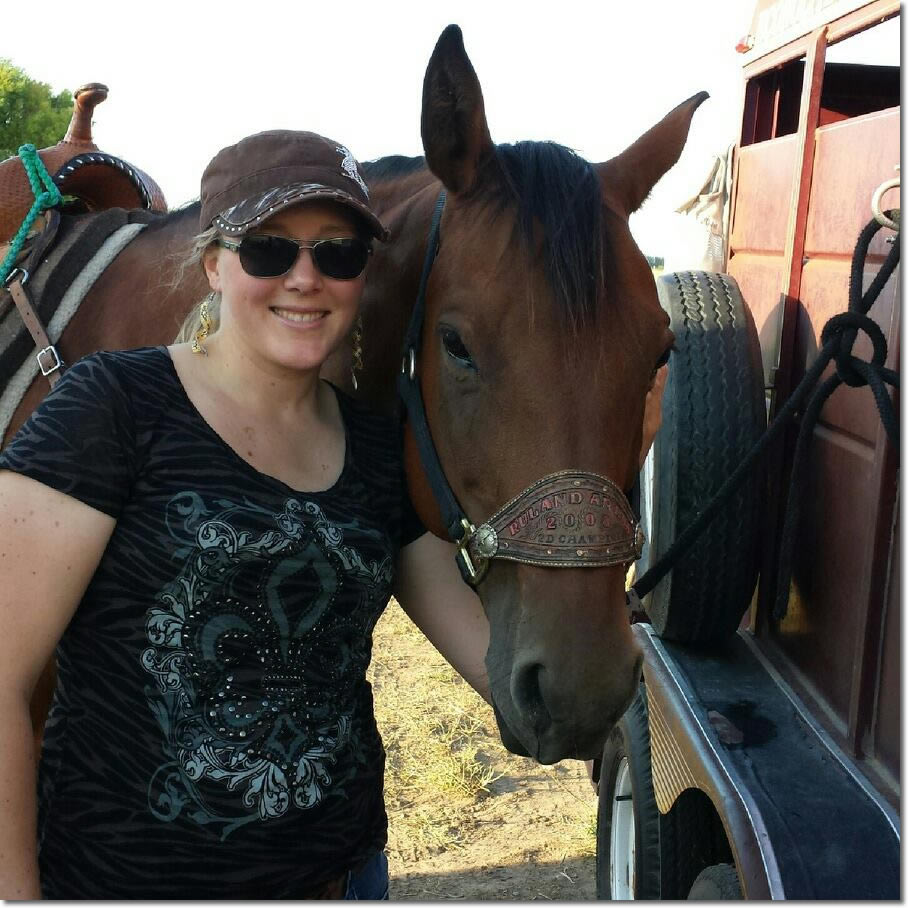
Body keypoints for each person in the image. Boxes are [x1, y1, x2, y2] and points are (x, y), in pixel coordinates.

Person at [0, 129, 669, 900]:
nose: (306, 278)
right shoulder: (110, 410)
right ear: (215, 262)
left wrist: (601, 499)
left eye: (340, 253)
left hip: (341, 878)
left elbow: (500, 662)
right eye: (269, 251)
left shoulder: (375, 453)